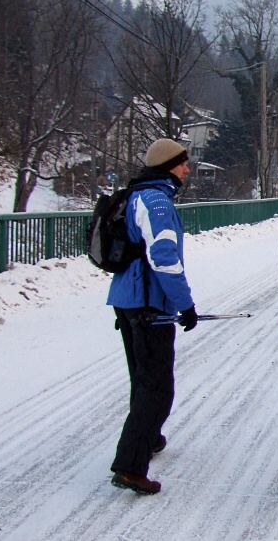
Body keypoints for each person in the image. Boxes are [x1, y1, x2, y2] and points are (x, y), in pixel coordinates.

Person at [106, 138, 199, 495]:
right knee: (157, 388)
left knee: (143, 379)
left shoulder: (135, 194)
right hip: (149, 306)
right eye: (182, 163)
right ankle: (130, 466)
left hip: (128, 300)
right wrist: (185, 303)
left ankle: (149, 438)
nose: (186, 169)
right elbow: (163, 256)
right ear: (167, 166)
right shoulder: (156, 200)